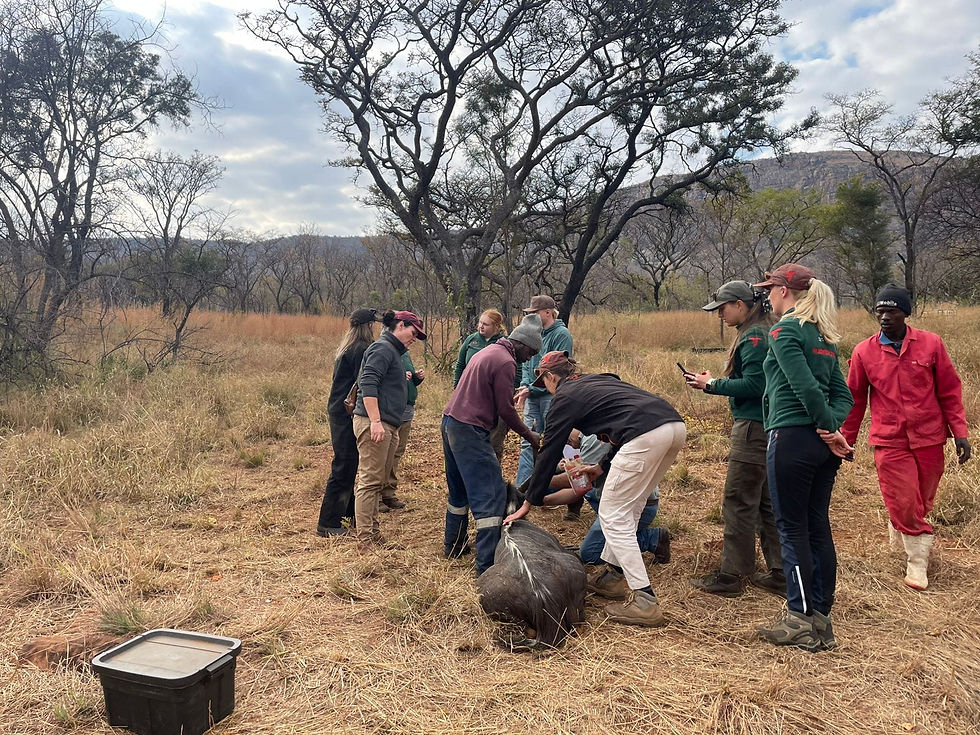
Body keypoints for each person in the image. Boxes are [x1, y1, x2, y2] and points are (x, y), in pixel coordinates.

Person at [506, 351, 687, 628]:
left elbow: (550, 450)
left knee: (613, 514)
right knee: (631, 507)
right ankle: (613, 578)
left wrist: (530, 500)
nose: (547, 389)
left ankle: (645, 601)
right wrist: (602, 466)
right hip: (672, 426)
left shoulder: (564, 397)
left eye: (545, 383)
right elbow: (623, 423)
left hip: (645, 435)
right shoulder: (597, 381)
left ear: (551, 377)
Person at [840, 283, 971, 591]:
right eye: (880, 311)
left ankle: (901, 526)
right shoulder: (864, 351)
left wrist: (960, 433)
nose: (885, 317)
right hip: (890, 439)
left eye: (892, 311)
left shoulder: (931, 344)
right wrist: (847, 438)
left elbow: (949, 391)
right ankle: (917, 565)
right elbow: (855, 399)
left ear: (905, 313)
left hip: (929, 437)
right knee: (903, 497)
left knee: (921, 499)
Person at [752, 263, 854, 653]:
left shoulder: (785, 330)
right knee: (816, 527)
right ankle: (820, 616)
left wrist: (828, 428)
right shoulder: (825, 338)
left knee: (791, 529)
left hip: (791, 438)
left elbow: (803, 386)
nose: (768, 297)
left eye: (771, 290)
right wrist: (832, 430)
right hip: (820, 446)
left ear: (785, 292)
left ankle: (799, 617)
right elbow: (841, 395)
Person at [686, 280, 784, 597]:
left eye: (722, 308)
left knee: (739, 501)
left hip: (753, 426)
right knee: (767, 503)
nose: (720, 315)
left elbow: (755, 386)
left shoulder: (754, 336)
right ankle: (780, 571)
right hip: (770, 425)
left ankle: (732, 575)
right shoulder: (767, 327)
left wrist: (711, 385)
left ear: (740, 305)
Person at [443, 314, 543, 575]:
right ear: (521, 343)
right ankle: (486, 567)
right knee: (489, 496)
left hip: (450, 422)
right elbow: (506, 410)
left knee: (459, 491)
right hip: (469, 430)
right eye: (530, 351)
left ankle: (453, 546)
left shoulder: (488, 351)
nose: (528, 358)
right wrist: (529, 435)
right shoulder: (506, 362)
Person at [351, 310, 427, 548]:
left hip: (389, 423)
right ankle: (365, 539)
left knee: (377, 480)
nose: (414, 338)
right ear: (400, 325)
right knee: (370, 480)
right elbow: (368, 382)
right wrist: (374, 421)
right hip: (376, 423)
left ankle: (374, 534)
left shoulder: (394, 351)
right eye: (413, 332)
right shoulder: (382, 348)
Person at [316, 308, 378, 537]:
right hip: (346, 413)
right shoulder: (361, 349)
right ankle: (327, 523)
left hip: (339, 411)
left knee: (349, 464)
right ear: (367, 327)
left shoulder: (347, 348)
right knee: (344, 465)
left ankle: (347, 516)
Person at [571, 431, 671, 566]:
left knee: (591, 554)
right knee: (591, 493)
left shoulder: (591, 441)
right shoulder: (595, 433)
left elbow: (581, 483)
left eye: (566, 441)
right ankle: (619, 534)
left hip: (633, 504)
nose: (569, 447)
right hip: (633, 498)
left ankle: (651, 539)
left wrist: (540, 490)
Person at [514, 295, 574, 514]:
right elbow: (527, 365)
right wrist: (523, 386)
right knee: (528, 442)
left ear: (547, 312)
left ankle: (562, 495)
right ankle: (524, 494)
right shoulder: (533, 333)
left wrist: (534, 387)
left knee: (555, 443)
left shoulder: (561, 334)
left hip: (550, 396)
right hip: (532, 396)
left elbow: (559, 373)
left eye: (534, 313)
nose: (531, 317)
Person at [454, 309, 510, 459]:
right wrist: (457, 389)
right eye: (480, 323)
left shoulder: (504, 343)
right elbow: (460, 365)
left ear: (496, 326)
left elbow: (514, 371)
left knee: (493, 443)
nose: (481, 327)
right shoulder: (472, 340)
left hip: (493, 401)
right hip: (469, 398)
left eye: (486, 324)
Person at [378, 349, 425, 512]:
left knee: (396, 453)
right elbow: (375, 381)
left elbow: (409, 379)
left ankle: (388, 493)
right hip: (391, 409)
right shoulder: (383, 350)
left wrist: (417, 378)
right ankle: (376, 495)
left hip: (406, 408)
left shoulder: (405, 352)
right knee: (384, 454)